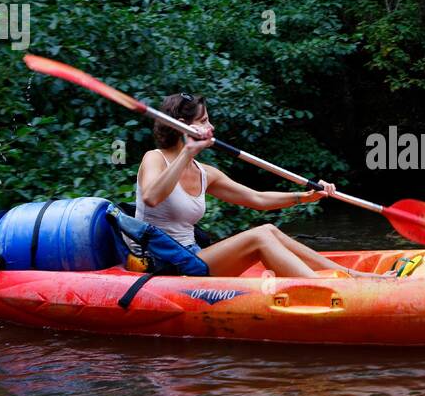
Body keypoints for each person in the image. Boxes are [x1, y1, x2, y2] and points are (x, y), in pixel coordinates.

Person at [136, 93, 378, 278]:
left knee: (269, 229)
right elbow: (152, 197)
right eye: (204, 121)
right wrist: (188, 152)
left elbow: (257, 199)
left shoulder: (205, 173)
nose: (212, 128)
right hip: (162, 262)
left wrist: (305, 197)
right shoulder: (154, 158)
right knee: (260, 235)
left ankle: (350, 275)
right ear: (183, 126)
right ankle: (331, 289)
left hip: (192, 255)